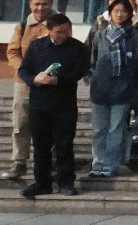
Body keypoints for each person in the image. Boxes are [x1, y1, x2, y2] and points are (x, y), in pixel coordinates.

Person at [17, 13, 88, 199]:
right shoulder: (37, 46)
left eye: (67, 31)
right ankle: (42, 183)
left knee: (64, 145)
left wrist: (57, 80)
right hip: (39, 104)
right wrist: (34, 79)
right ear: (49, 31)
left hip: (64, 104)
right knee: (41, 146)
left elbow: (80, 71)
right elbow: (23, 69)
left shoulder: (78, 48)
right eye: (59, 32)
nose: (64, 35)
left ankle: (66, 182)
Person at [87, 0, 138, 179]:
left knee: (116, 129)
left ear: (129, 14)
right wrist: (92, 79)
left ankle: (111, 164)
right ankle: (98, 163)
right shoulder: (100, 34)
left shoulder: (134, 35)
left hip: (123, 89)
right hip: (100, 89)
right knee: (99, 129)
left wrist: (132, 86)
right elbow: (92, 60)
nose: (120, 14)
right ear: (110, 13)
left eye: (124, 11)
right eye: (116, 11)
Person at [5, 0, 54, 180]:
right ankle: (19, 162)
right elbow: (12, 52)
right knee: (21, 123)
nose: (40, 8)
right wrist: (24, 71)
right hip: (24, 82)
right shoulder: (22, 26)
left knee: (48, 123)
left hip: (49, 81)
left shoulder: (58, 24)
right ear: (30, 5)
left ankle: (49, 162)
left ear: (51, 4)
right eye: (36, 4)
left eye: (44, 4)